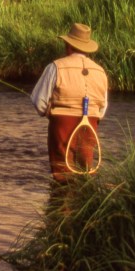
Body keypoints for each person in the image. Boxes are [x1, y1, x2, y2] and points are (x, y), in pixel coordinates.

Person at [31, 23, 108, 183]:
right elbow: (102, 108)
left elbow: (39, 102)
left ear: (68, 45)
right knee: (85, 175)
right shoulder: (100, 71)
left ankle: (60, 206)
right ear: (87, 48)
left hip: (61, 125)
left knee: (62, 175)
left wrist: (50, 113)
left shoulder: (55, 67)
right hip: (90, 126)